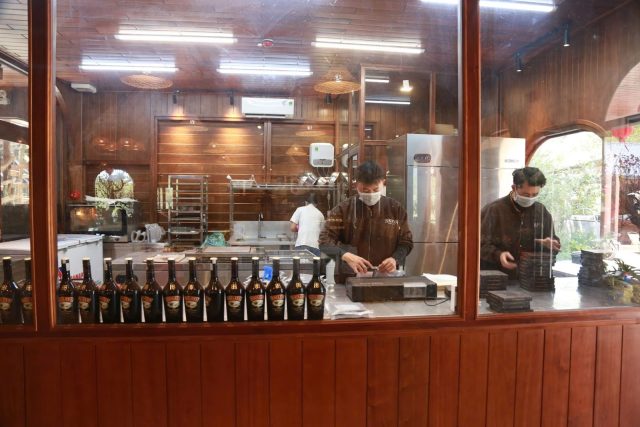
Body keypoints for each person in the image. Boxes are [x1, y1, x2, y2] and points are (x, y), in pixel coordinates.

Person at [319, 161, 413, 283]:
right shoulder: (343, 209)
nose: (371, 194)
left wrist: (395, 259)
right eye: (365, 190)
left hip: (386, 277)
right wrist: (345, 255)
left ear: (383, 183)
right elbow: (324, 242)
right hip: (350, 278)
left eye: (375, 189)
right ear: (356, 185)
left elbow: (406, 242)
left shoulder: (395, 208)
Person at [480, 166, 560, 278]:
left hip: (531, 278)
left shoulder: (541, 212)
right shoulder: (494, 210)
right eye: (526, 195)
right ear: (514, 188)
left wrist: (550, 244)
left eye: (535, 195)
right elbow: (479, 245)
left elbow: (554, 243)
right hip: (497, 278)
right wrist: (499, 255)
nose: (530, 198)